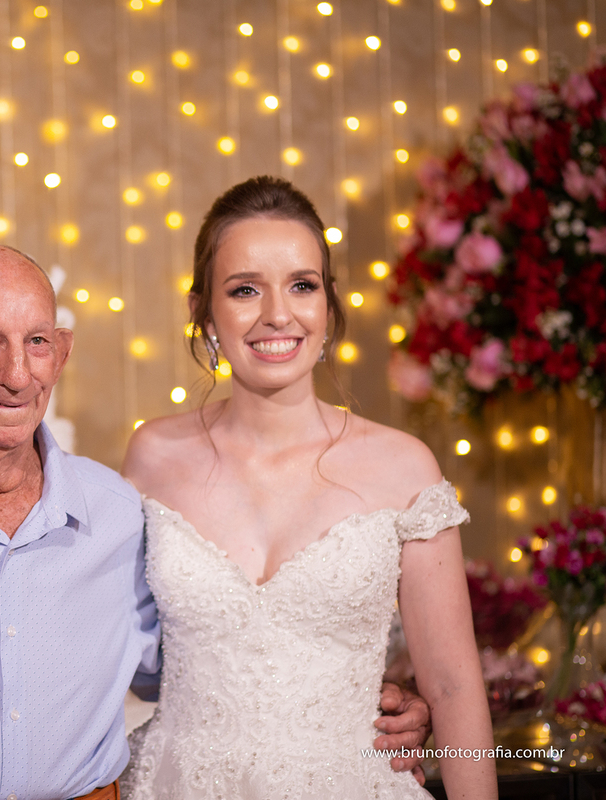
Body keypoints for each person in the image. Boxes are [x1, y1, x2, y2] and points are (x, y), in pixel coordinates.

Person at [0, 243, 431, 800]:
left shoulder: (115, 512)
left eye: (37, 342)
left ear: (61, 354)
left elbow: (205, 664)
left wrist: (359, 701)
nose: (16, 374)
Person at [119, 176, 496, 799]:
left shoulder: (404, 468)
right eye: (245, 289)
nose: (278, 314)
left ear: (328, 304)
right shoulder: (153, 456)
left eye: (302, 285)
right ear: (203, 312)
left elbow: (454, 688)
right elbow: (110, 651)